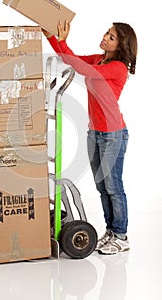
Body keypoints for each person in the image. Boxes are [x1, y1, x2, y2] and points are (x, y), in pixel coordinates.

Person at [42, 21, 137, 255]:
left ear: (121, 46)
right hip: (94, 132)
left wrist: (62, 40)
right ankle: (111, 232)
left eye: (112, 37)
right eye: (107, 32)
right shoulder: (99, 59)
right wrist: (53, 37)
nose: (105, 37)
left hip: (113, 134)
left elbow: (83, 70)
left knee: (113, 186)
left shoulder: (118, 68)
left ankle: (121, 235)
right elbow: (70, 60)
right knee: (102, 186)